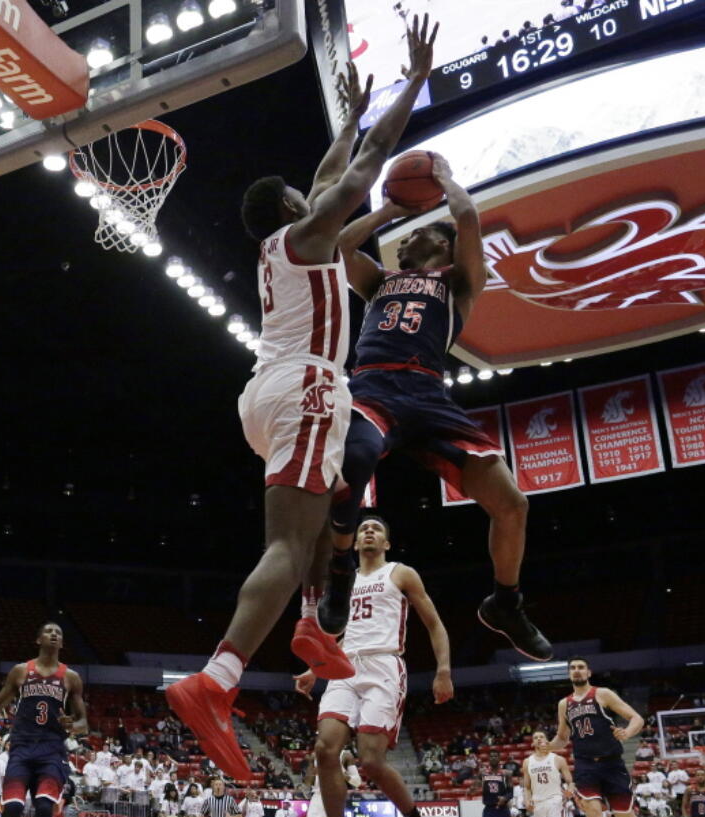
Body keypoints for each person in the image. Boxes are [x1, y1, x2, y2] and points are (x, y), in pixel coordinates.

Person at [167, 14, 440, 782]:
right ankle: (214, 680)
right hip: (309, 388)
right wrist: (412, 81)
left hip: (268, 395)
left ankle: (314, 624)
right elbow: (362, 169)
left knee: (325, 514)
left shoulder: (284, 243)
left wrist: (347, 116)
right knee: (288, 544)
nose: (313, 190)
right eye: (303, 194)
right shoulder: (311, 234)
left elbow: (329, 175)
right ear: (294, 208)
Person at [323, 154, 551, 660]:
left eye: (412, 234)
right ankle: (340, 572)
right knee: (353, 461)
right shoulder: (379, 281)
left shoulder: (459, 281)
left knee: (512, 503)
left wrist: (444, 181)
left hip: (428, 393)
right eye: (399, 237)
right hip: (374, 387)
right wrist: (386, 210)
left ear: (442, 244)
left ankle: (505, 603)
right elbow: (338, 245)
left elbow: (468, 220)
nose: (403, 240)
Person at [295, 516, 452, 817]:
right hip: (344, 667)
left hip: (384, 664)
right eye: (363, 529)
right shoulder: (344, 583)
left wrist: (443, 670)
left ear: (386, 543)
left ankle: (412, 814)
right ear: (354, 543)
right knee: (325, 750)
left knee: (371, 761)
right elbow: (341, 636)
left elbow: (435, 624)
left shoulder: (401, 573)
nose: (369, 531)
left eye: (376, 529)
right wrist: (314, 669)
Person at [0, 623, 88, 817]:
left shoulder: (71, 677)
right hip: (22, 746)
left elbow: (84, 723)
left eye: (58, 632)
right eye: (49, 631)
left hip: (51, 749)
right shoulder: (21, 671)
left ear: (62, 643)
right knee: (13, 808)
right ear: (39, 640)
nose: (54, 634)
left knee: (43, 807)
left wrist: (73, 725)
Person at [547, 657, 644, 817]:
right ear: (569, 674)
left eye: (581, 667)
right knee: (592, 811)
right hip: (585, 765)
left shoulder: (603, 693)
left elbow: (637, 719)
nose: (577, 670)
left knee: (624, 814)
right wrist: (549, 746)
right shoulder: (564, 704)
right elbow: (563, 738)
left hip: (612, 763)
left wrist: (627, 732)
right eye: (573, 668)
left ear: (589, 672)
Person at [523, 731, 573, 817]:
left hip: (555, 801)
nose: (538, 738)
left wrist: (570, 791)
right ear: (532, 743)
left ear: (547, 740)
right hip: (537, 803)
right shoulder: (527, 762)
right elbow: (527, 787)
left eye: (541, 736)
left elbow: (570, 782)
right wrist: (527, 800)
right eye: (535, 737)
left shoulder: (558, 759)